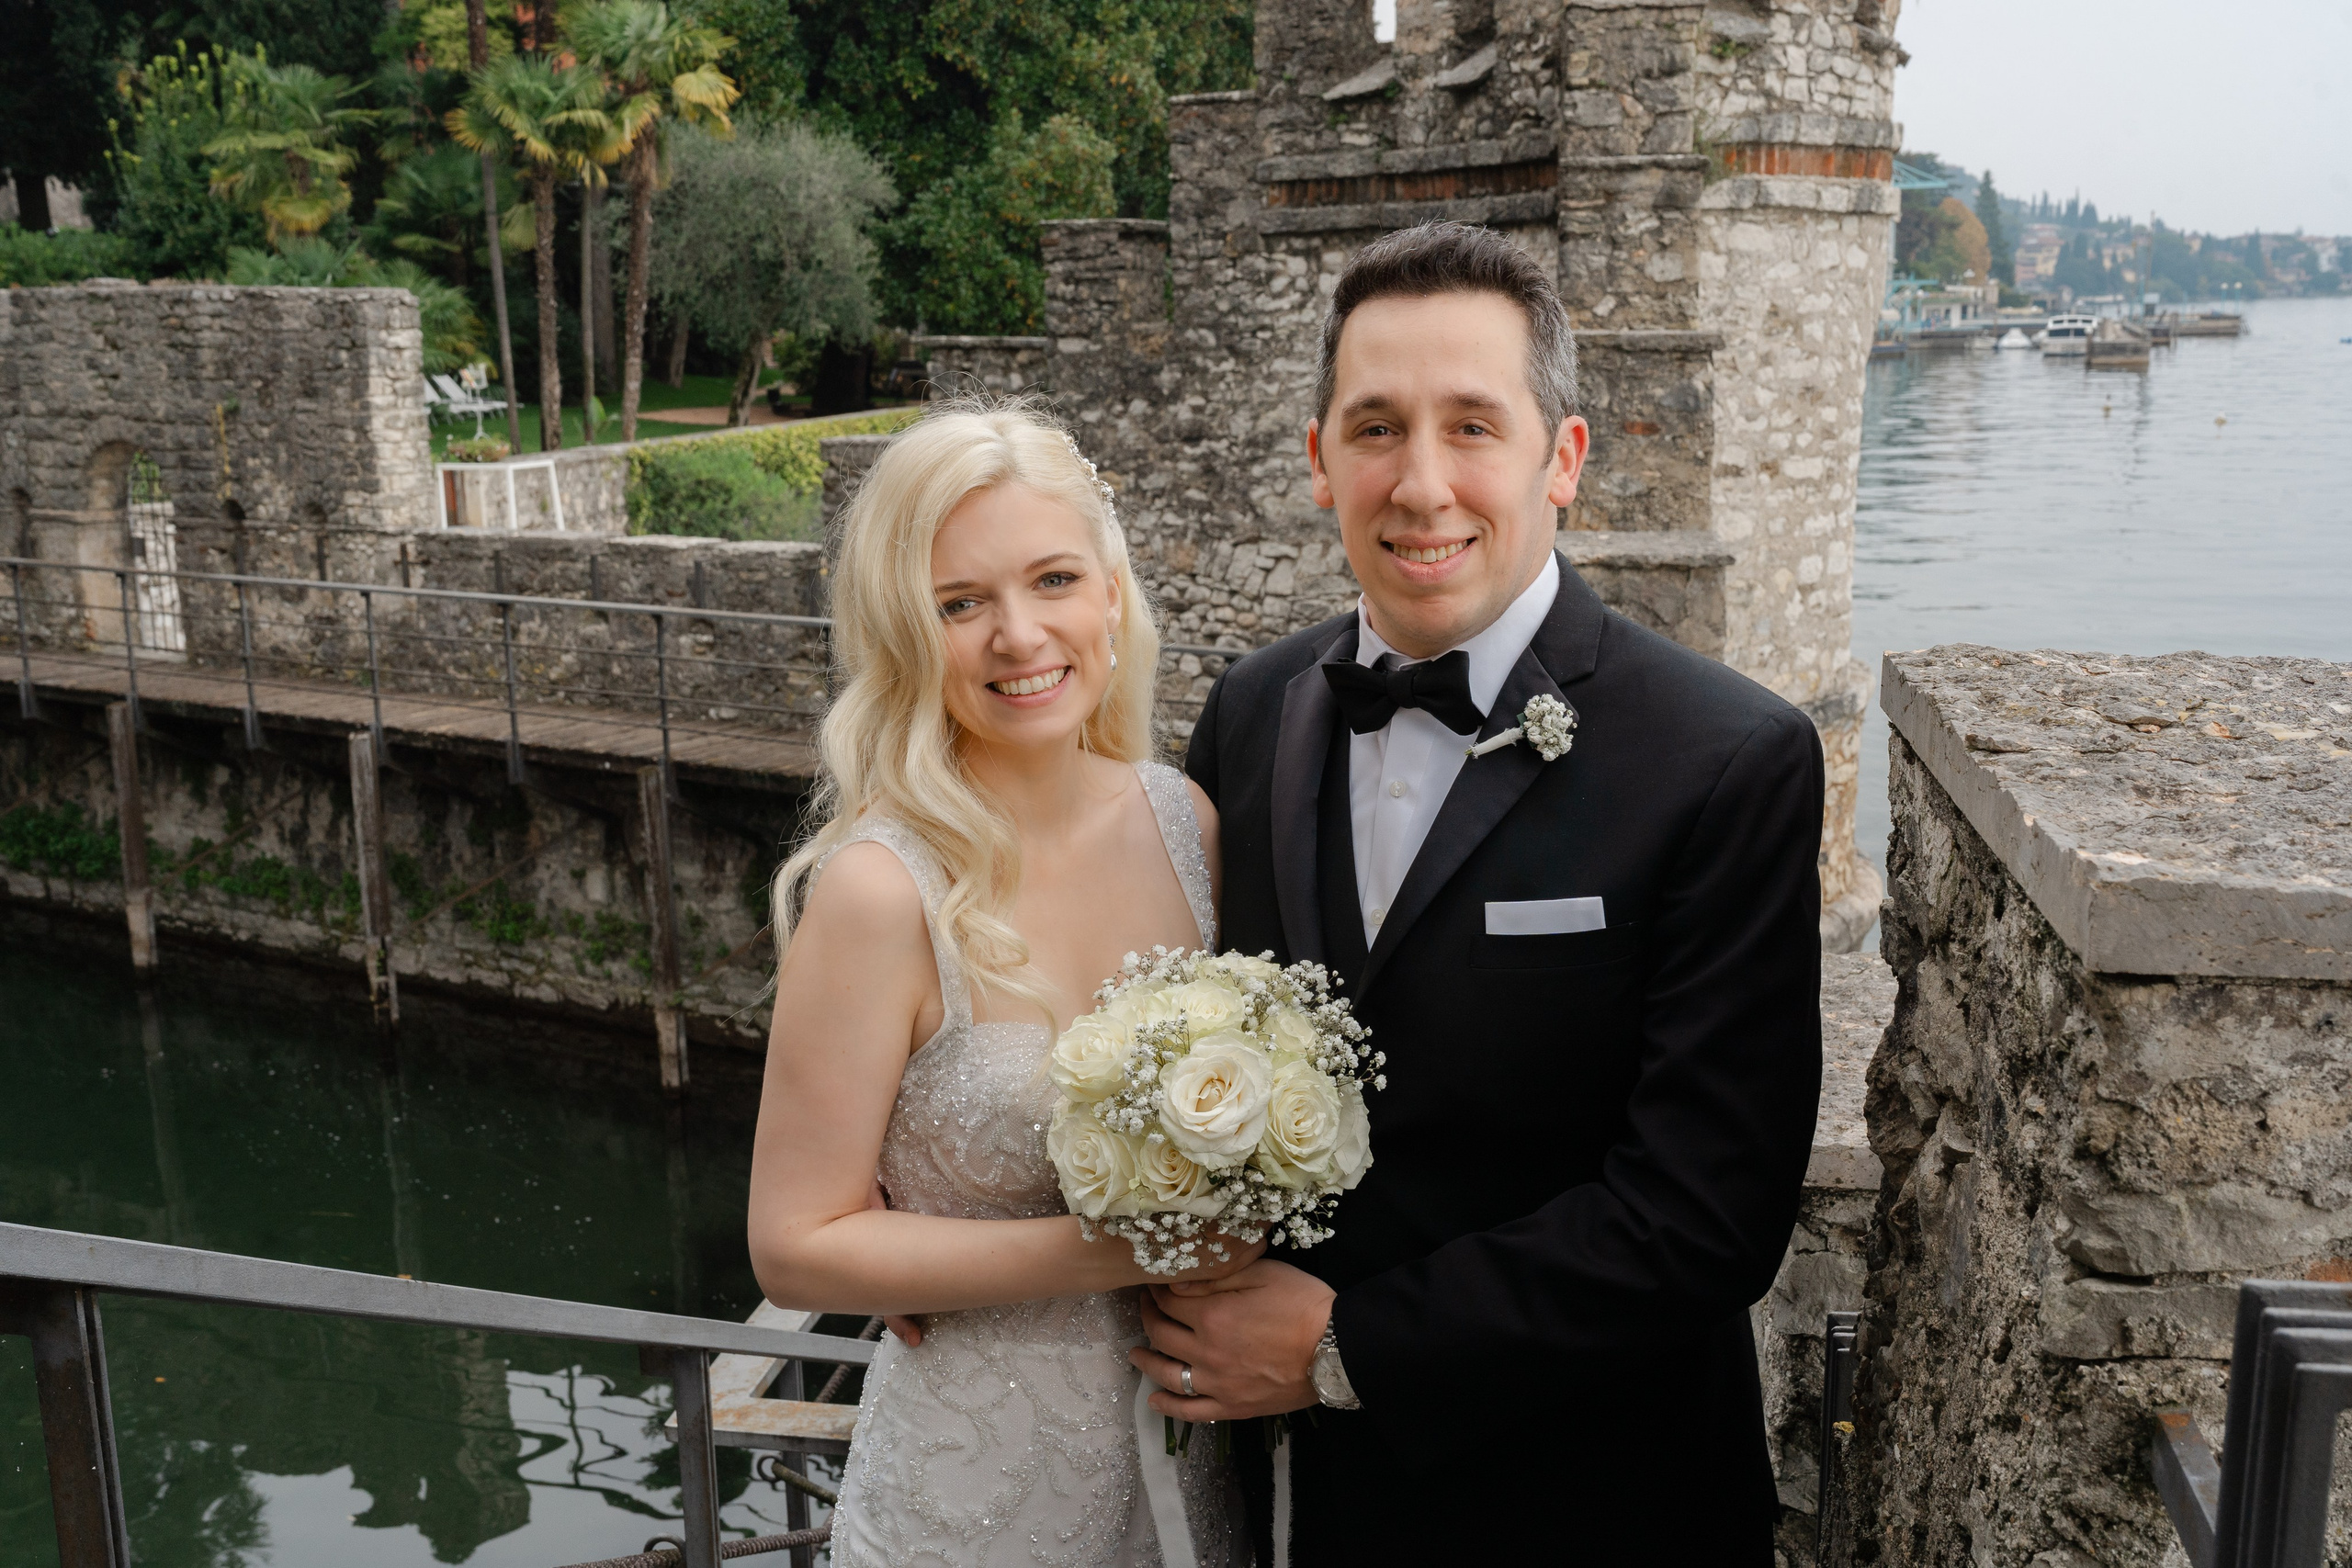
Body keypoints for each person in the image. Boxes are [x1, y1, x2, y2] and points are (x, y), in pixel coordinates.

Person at [1141, 222, 1826, 1562]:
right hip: (1297, 1503)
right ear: (1320, 458)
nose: (1422, 482)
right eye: (1378, 427)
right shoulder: (1252, 708)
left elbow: (1707, 1207)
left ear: (1560, 458)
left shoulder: (1727, 757)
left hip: (1597, 1501)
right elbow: (1179, 1027)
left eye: (1472, 426)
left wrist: (1346, 1345)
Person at [746, 400, 1251, 1568]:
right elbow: (793, 1243)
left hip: (1188, 1468)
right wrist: (1126, 1250)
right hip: (967, 1501)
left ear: (1112, 598)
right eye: (959, 604)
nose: (1019, 636)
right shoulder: (880, 891)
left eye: (1055, 580)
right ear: (904, 636)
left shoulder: (1188, 824)